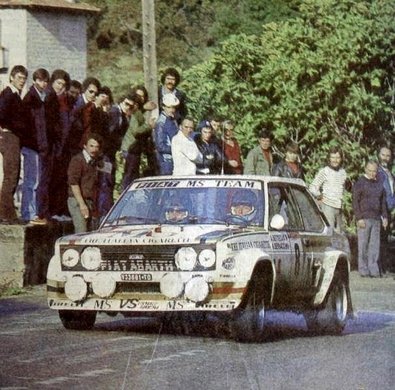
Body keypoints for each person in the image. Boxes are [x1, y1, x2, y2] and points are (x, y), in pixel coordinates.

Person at [22, 68, 59, 225]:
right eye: (40, 80)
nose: (43, 84)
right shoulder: (30, 98)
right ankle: (29, 213)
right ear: (35, 81)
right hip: (33, 146)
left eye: (45, 81)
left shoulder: (49, 98)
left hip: (46, 146)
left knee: (43, 181)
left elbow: (53, 123)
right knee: (32, 181)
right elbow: (27, 124)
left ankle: (40, 212)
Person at [0, 65, 28, 223]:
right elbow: (2, 114)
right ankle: (6, 214)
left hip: (12, 136)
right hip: (9, 136)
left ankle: (5, 212)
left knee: (13, 176)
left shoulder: (15, 94)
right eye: (19, 78)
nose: (22, 81)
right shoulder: (9, 94)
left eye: (24, 78)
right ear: (11, 78)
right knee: (11, 176)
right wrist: (13, 127)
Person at [352, 160, 388, 277]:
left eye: (375, 171)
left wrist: (385, 217)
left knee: (374, 246)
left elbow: (383, 202)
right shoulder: (360, 183)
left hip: (376, 219)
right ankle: (363, 269)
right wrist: (359, 218)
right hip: (364, 219)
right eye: (370, 171)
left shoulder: (379, 184)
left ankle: (373, 269)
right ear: (365, 169)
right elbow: (355, 201)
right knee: (363, 245)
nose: (373, 173)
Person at [48, 69, 73, 220]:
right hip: (53, 144)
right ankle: (51, 210)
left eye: (63, 85)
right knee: (51, 178)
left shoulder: (65, 100)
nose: (60, 87)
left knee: (62, 178)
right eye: (58, 83)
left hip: (64, 145)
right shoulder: (49, 98)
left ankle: (60, 210)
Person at [121, 85, 157, 189]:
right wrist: (148, 126)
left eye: (142, 96)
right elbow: (136, 131)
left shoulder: (139, 111)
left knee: (133, 176)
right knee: (129, 178)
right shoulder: (134, 112)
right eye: (138, 96)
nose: (140, 99)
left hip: (135, 149)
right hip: (130, 148)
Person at [67, 134, 103, 233]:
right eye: (91, 146)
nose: (94, 149)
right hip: (77, 201)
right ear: (85, 146)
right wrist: (82, 204)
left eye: (97, 147)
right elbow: (73, 183)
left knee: (91, 232)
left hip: (89, 201)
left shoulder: (94, 161)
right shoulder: (78, 160)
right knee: (81, 232)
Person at [309, 146, 349, 232]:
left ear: (341, 159)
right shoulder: (325, 171)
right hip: (328, 206)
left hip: (339, 207)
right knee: (329, 232)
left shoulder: (343, 172)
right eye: (333, 157)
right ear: (329, 158)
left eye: (338, 157)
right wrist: (319, 195)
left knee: (339, 233)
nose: (335, 160)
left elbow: (342, 189)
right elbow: (312, 187)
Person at [69, 76, 101, 155]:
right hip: (72, 145)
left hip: (82, 146)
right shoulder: (78, 102)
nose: (93, 95)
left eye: (96, 93)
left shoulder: (92, 106)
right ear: (84, 90)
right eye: (91, 91)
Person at [376, 146, 395, 273]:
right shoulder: (376, 171)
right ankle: (378, 266)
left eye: (388, 156)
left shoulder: (390, 173)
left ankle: (384, 266)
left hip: (389, 209)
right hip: (380, 209)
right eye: (383, 155)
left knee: (385, 238)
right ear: (378, 155)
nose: (385, 158)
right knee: (379, 239)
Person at [153, 93, 180, 175]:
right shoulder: (161, 123)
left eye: (173, 107)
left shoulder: (173, 120)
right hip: (165, 160)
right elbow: (160, 146)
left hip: (174, 158)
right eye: (169, 107)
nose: (171, 110)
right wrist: (175, 149)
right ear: (163, 107)